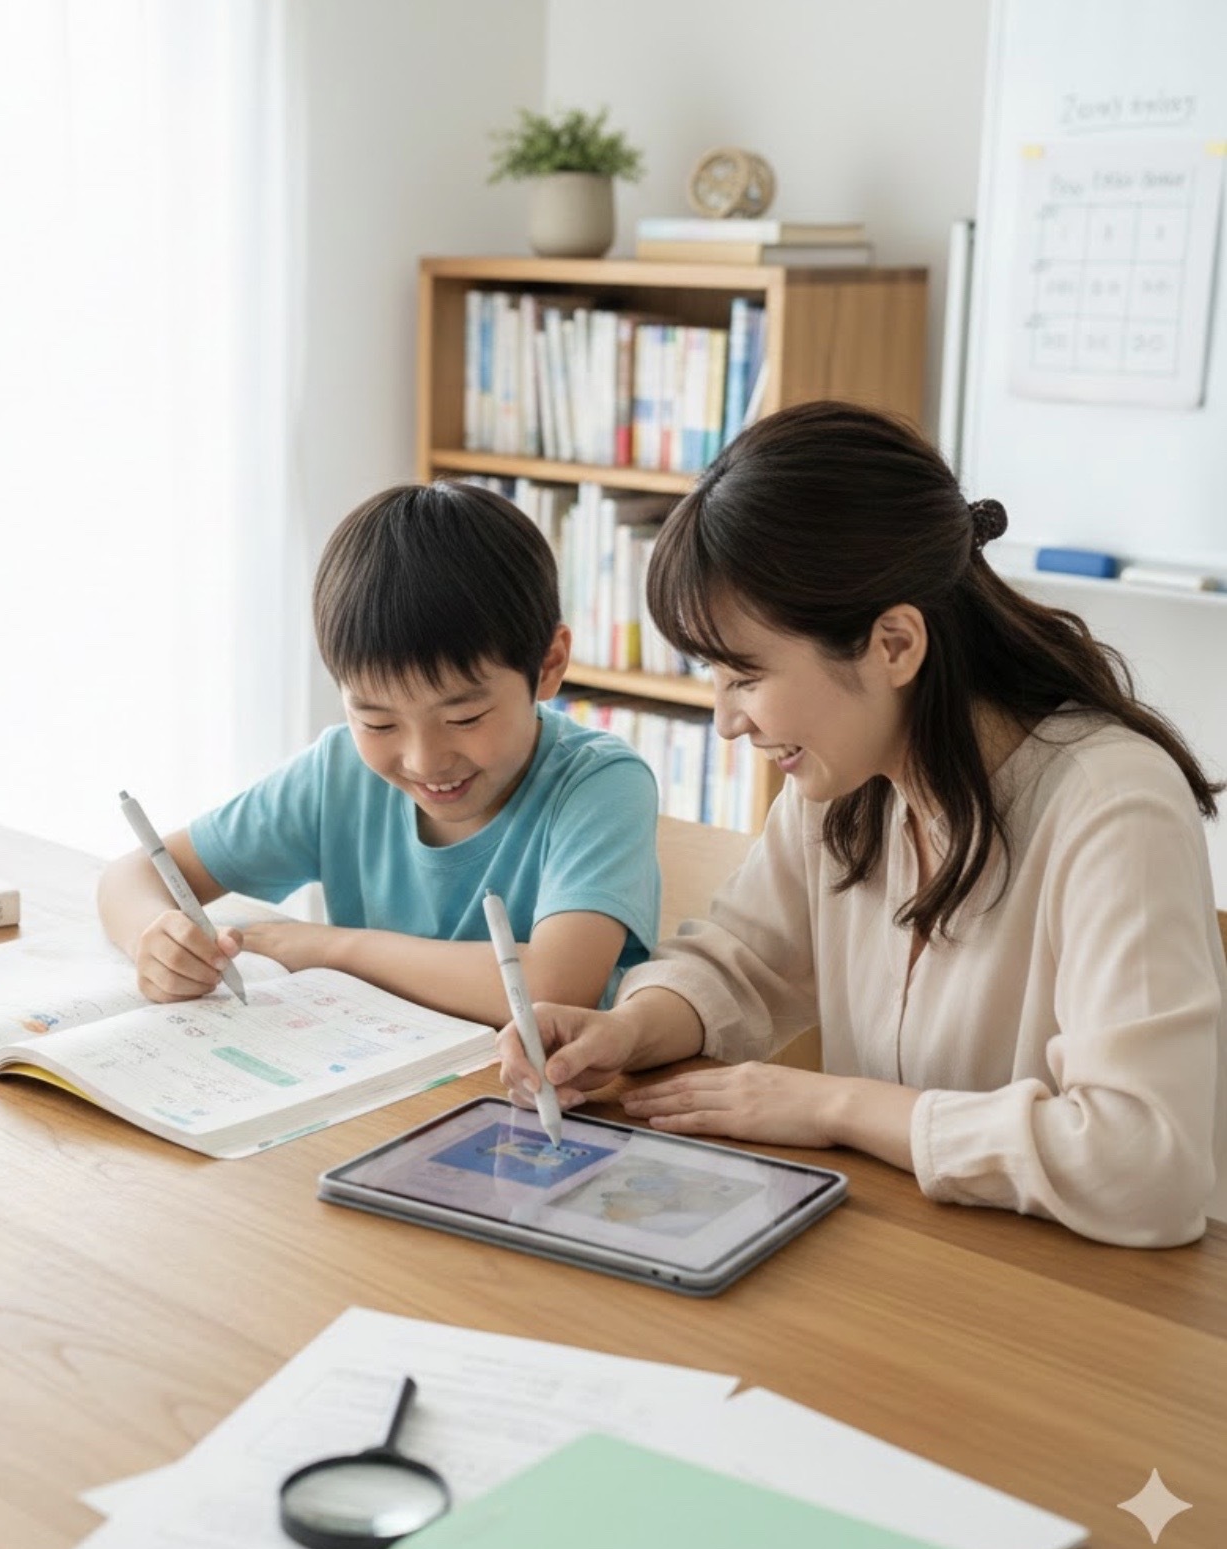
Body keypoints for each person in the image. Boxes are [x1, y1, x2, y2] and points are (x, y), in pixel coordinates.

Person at [499, 401, 1226, 1248]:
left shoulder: (1111, 808)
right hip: (914, 1257)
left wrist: (836, 1105)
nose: (727, 721)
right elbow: (740, 963)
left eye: (745, 674)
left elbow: (1144, 1163)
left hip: (1093, 1307)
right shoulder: (844, 784)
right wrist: (626, 1029)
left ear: (893, 645)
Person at [98, 480, 660, 1026]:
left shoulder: (601, 783)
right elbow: (131, 876)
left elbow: (551, 988)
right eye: (377, 721)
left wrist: (331, 949)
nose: (424, 760)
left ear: (550, 664)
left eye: (463, 717)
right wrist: (155, 937)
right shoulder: (338, 773)